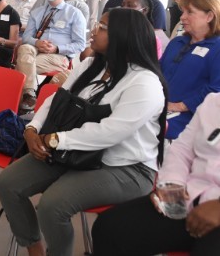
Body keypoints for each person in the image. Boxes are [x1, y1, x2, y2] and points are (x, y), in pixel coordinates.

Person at [0, 9, 167, 256]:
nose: (94, 30)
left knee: (52, 206)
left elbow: (110, 132)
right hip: (77, 152)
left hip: (126, 167)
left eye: (103, 27)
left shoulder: (144, 82)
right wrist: (32, 129)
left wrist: (55, 139)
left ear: (123, 36)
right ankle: (34, 247)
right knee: (9, 183)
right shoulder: (90, 65)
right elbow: (58, 99)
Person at [91, 92, 220, 255]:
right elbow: (182, 151)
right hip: (189, 199)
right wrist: (171, 185)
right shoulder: (213, 103)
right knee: (109, 228)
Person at [16, 0, 87, 111]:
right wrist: (37, 43)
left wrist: (57, 48)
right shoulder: (37, 12)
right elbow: (26, 37)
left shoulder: (74, 14)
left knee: (22, 65)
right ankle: (30, 94)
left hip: (59, 56)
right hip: (36, 50)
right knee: (25, 48)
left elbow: (80, 44)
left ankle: (26, 100)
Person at [160, 0, 220, 140]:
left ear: (209, 16)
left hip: (188, 121)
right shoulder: (177, 42)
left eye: (190, 12)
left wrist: (180, 106)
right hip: (159, 108)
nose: (182, 17)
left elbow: (217, 90)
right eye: (182, 12)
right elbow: (157, 72)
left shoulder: (217, 48)